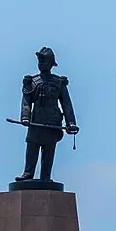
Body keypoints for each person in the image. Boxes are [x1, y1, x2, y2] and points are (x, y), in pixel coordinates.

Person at [15, 47, 79, 182]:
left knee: (49, 150)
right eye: (40, 61)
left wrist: (71, 123)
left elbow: (67, 104)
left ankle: (46, 176)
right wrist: (25, 117)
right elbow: (26, 101)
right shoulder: (32, 81)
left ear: (51, 63)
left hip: (52, 122)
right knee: (32, 146)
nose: (41, 64)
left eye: (44, 61)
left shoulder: (59, 83)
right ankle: (28, 173)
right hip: (36, 120)